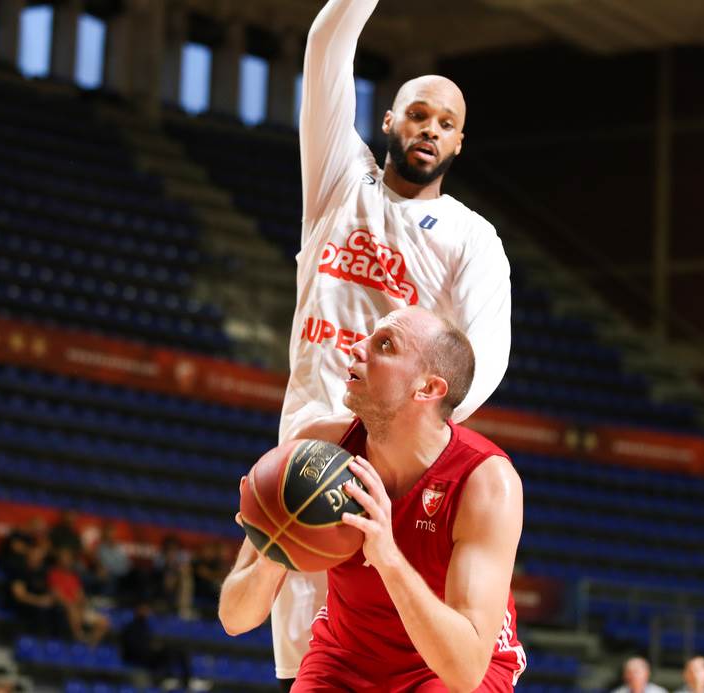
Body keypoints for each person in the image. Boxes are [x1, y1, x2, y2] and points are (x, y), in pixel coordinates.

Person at [274, 0, 513, 683]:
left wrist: (393, 439)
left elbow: (478, 366)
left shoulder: (473, 238)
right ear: (387, 120)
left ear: (459, 143)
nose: (430, 129)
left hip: (388, 481)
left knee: (388, 660)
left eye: (446, 123)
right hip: (303, 462)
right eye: (417, 113)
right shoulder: (336, 184)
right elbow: (326, 43)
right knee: (305, 666)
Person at [221, 308, 525, 691]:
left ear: (428, 389)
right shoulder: (318, 447)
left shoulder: (486, 481)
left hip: (447, 668)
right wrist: (274, 547)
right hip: (346, 659)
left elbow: (465, 670)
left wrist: (388, 557)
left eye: (385, 345)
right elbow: (235, 618)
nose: (356, 346)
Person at [48, 548, 109, 646]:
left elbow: (80, 594)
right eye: (64, 559)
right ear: (59, 561)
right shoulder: (54, 574)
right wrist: (71, 604)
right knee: (72, 609)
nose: (67, 562)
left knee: (104, 622)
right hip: (64, 608)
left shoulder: (74, 576)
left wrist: (82, 603)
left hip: (79, 608)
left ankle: (91, 645)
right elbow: (57, 594)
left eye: (68, 559)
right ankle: (79, 638)